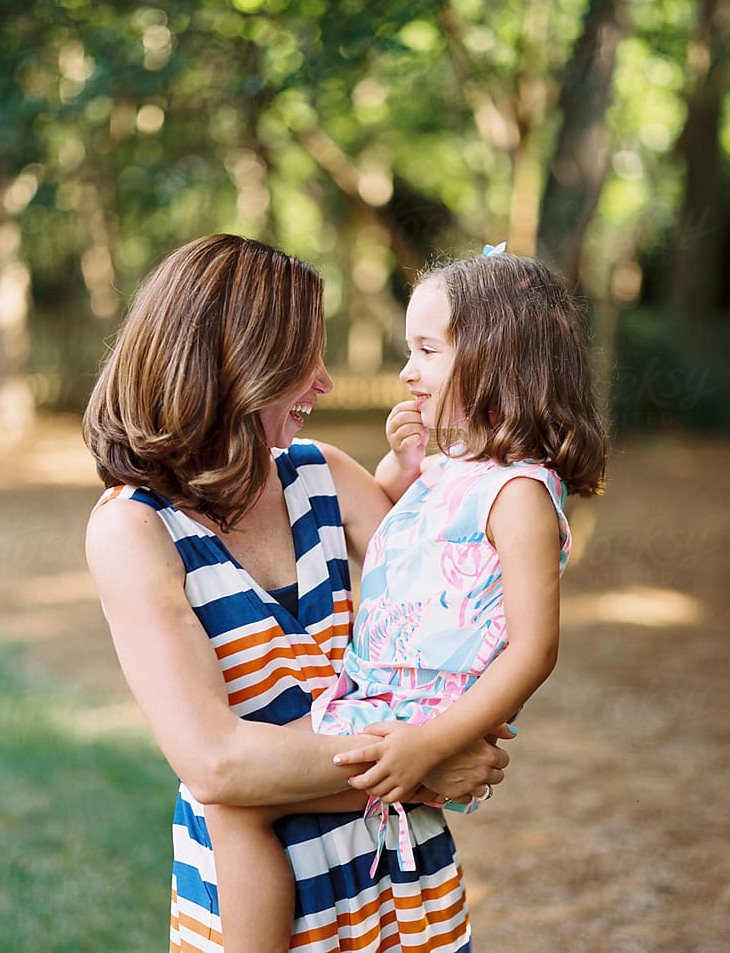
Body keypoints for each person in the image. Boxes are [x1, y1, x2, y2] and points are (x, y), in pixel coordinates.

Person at [82, 233, 512, 953]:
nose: (324, 380)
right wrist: (424, 766)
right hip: (271, 913)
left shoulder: (328, 476)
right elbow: (217, 764)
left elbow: (452, 619)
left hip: (402, 886)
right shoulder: (134, 532)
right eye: (302, 357)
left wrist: (418, 482)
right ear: (238, 365)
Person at [204, 248, 609, 953]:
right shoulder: (454, 473)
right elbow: (402, 543)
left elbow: (534, 648)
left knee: (234, 804)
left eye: (426, 351)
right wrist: (404, 466)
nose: (406, 372)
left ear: (495, 363)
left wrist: (433, 745)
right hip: (383, 702)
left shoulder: (518, 497)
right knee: (236, 796)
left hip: (414, 718)